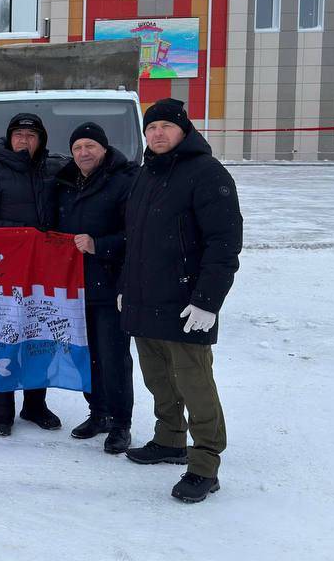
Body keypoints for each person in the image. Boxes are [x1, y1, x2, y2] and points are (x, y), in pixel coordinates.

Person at [120, 99, 242, 504]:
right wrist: (127, 287)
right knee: (158, 379)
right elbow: (133, 240)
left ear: (183, 130)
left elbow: (224, 244)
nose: (157, 134)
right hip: (145, 300)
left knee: (194, 384)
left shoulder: (207, 174)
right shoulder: (145, 174)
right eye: (150, 128)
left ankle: (205, 463)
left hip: (187, 304)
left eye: (165, 127)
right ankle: (170, 439)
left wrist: (208, 301)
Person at [0, 113, 63, 436]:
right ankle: (3, 410)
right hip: (3, 274)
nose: (24, 141)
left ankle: (36, 404)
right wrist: (22, 235)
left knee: (39, 339)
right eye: (18, 135)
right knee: (4, 340)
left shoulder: (54, 170)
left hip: (42, 273)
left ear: (41, 140)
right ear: (9, 138)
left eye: (31, 136)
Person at [54, 122, 137, 453]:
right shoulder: (66, 182)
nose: (83, 153)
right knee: (86, 356)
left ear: (104, 149)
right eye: (77, 148)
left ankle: (121, 423)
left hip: (111, 285)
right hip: (75, 286)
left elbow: (137, 234)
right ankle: (98, 412)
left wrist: (99, 245)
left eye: (90, 146)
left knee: (113, 356)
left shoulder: (124, 182)